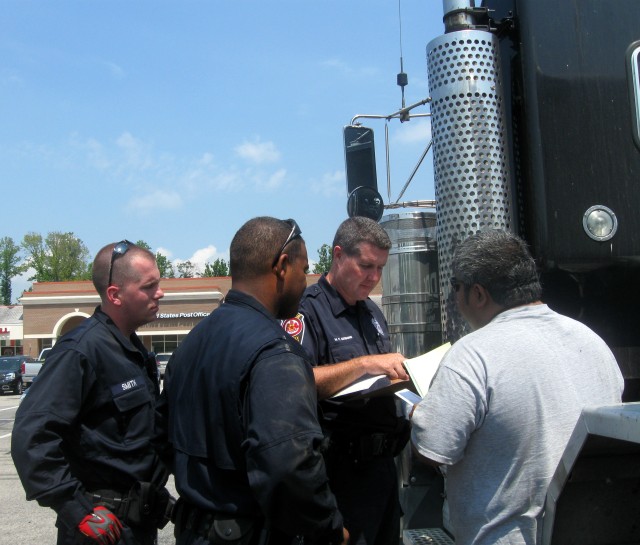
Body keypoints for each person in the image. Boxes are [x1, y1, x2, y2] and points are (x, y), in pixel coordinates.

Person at [410, 229, 624, 545]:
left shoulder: (472, 354)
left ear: (478, 294)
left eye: (456, 287)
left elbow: (433, 449)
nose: (454, 298)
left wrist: (418, 413)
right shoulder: (593, 343)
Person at [156, 217, 348, 545]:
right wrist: (329, 527)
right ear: (282, 266)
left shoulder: (193, 341)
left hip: (194, 531)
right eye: (304, 270)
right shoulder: (275, 352)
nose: (306, 281)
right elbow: (289, 466)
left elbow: (162, 438)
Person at [12, 240, 173, 545]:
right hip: (100, 529)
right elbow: (31, 438)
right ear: (115, 294)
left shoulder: (133, 351)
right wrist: (75, 508)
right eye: (149, 286)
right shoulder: (80, 351)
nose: (160, 292)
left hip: (136, 524)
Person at [283, 216, 410, 545]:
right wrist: (365, 364)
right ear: (338, 255)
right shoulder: (306, 312)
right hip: (339, 476)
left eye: (381, 268)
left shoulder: (372, 313)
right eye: (367, 266)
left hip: (383, 471)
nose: (375, 278)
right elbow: (296, 382)